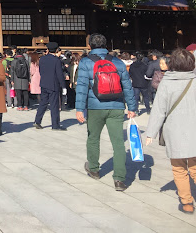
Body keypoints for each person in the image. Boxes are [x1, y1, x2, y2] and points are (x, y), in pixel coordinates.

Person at [76, 33, 137, 191]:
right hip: (116, 105)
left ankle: (94, 169)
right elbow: (127, 86)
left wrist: (79, 109)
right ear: (106, 45)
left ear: (90, 46)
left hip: (95, 105)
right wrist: (131, 107)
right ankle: (119, 179)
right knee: (118, 143)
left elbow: (82, 87)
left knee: (93, 138)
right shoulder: (117, 62)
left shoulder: (85, 62)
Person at [144, 48, 196, 214]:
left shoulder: (167, 82)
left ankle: (187, 202)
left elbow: (159, 110)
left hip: (174, 130)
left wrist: (150, 132)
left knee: (179, 167)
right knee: (195, 166)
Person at [34, 42, 67, 131]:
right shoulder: (56, 60)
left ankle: (37, 121)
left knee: (43, 103)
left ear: (47, 50)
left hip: (44, 83)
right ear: (56, 50)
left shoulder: (42, 59)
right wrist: (63, 86)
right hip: (53, 85)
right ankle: (55, 125)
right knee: (54, 105)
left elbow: (41, 71)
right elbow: (59, 74)